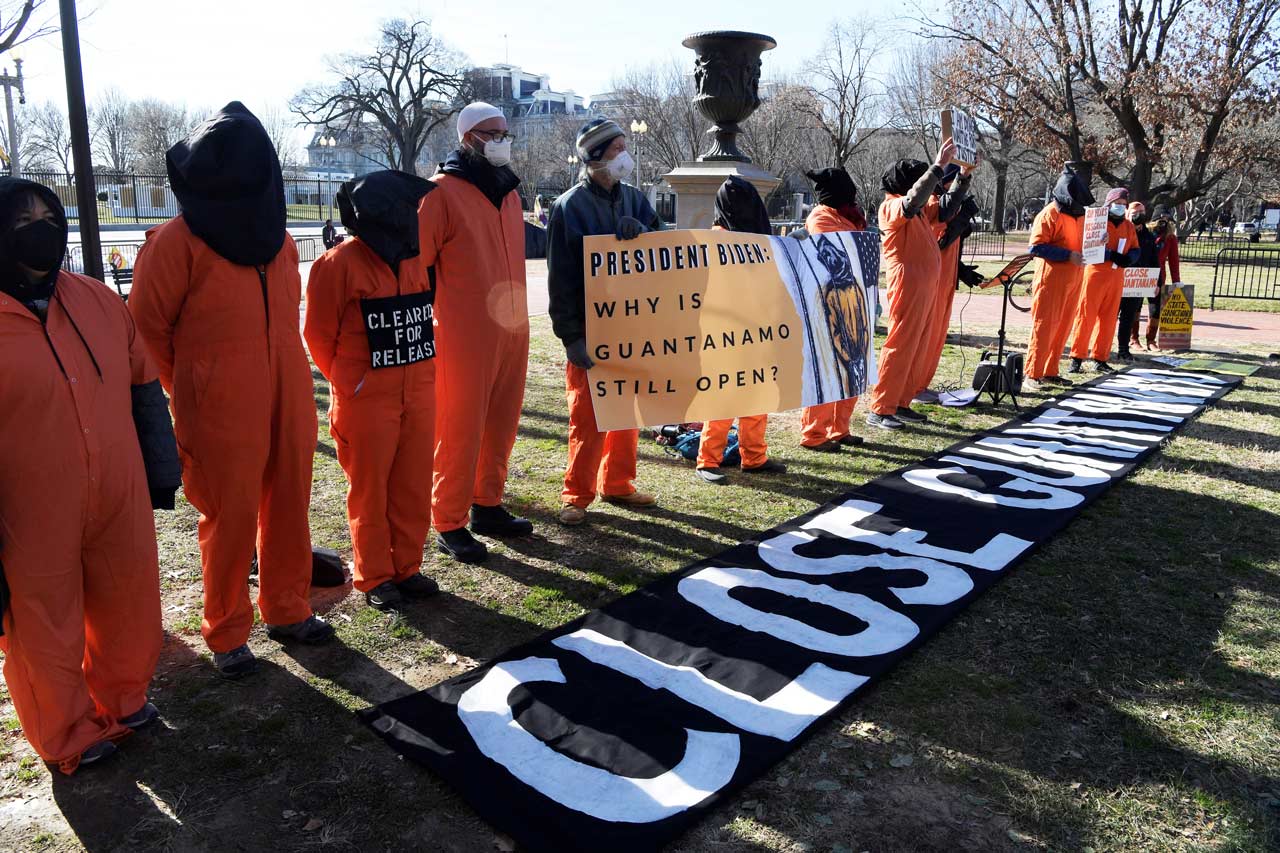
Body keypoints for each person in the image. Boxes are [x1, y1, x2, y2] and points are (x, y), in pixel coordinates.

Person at [131, 102, 334, 680]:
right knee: (230, 515)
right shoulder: (173, 244)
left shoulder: (281, 240)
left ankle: (288, 608)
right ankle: (226, 631)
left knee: (291, 499)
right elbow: (146, 333)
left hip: (288, 387)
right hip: (216, 400)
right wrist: (192, 386)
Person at [0, 177, 180, 772]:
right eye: (21, 220)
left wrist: (160, 470)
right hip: (29, 509)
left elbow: (144, 385)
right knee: (43, 628)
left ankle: (125, 699)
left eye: (47, 215)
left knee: (129, 600)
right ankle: (67, 733)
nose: (39, 229)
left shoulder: (98, 300)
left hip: (117, 489)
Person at [304, 171, 441, 611]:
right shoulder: (337, 264)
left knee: (413, 485)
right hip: (366, 400)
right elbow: (317, 335)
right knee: (370, 491)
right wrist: (352, 384)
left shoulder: (414, 259)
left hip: (417, 390)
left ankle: (408, 567)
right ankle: (375, 575)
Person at [416, 102, 532, 565]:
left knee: (501, 422)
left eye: (506, 132)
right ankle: (448, 519)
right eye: (493, 133)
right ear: (468, 138)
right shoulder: (440, 193)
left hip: (512, 327)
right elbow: (418, 267)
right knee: (459, 428)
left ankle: (488, 502)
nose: (502, 140)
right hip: (462, 333)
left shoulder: (509, 193)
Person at [547, 118, 661, 526]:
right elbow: (560, 278)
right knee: (588, 417)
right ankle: (576, 495)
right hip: (591, 330)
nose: (624, 155)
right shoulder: (568, 207)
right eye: (616, 149)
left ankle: (619, 483)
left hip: (631, 328)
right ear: (594, 157)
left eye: (624, 146)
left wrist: (644, 231)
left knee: (627, 412)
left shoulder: (634, 198)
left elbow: (660, 243)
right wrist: (571, 336)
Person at [695, 176, 789, 485]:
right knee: (724, 394)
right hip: (723, 330)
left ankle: (754, 456)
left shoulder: (758, 241)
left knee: (758, 391)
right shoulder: (714, 240)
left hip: (758, 327)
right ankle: (708, 460)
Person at [865, 139, 956, 430]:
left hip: (923, 286)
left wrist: (963, 178)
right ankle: (881, 407)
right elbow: (914, 199)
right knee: (900, 344)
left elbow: (944, 209)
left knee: (916, 346)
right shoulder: (892, 206)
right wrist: (937, 168)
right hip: (907, 283)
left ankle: (901, 402)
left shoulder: (916, 211)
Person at [797, 167, 868, 451]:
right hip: (828, 301)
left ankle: (840, 428)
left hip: (854, 298)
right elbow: (840, 247)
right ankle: (814, 433)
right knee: (828, 367)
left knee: (854, 363)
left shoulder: (848, 216)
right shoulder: (821, 217)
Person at [1023, 165, 1094, 388]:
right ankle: (1032, 373)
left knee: (1063, 326)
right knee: (1045, 326)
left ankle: (1050, 370)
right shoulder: (1049, 214)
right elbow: (1036, 247)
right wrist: (1067, 255)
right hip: (1051, 280)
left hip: (1075, 279)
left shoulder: (1080, 216)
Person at [911, 162, 976, 401]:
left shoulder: (953, 205)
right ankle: (913, 386)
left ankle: (922, 383)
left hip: (946, 281)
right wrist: (960, 222)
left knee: (937, 336)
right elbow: (937, 241)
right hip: (932, 281)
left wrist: (961, 270)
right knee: (925, 336)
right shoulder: (931, 204)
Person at [1067, 187, 1138, 374]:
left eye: (1124, 205)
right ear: (1109, 203)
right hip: (1095, 274)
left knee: (1109, 319)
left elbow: (1136, 249)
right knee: (1086, 316)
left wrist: (1129, 258)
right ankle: (1076, 357)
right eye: (1118, 204)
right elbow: (1086, 245)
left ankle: (1100, 358)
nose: (1121, 207)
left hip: (1116, 277)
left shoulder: (1129, 226)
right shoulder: (1096, 221)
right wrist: (1108, 253)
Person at [1116, 201, 1158, 362]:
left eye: (1142, 211)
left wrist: (1156, 282)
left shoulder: (1148, 236)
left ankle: (1124, 349)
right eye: (1135, 211)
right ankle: (1100, 349)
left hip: (1137, 283)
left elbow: (1154, 260)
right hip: (1117, 279)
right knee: (1109, 316)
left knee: (1129, 316)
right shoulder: (1121, 229)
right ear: (1127, 212)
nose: (1139, 214)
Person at [1144, 206, 1181, 349]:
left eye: (1167, 219)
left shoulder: (1170, 237)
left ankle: (1150, 340)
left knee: (1155, 309)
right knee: (1134, 308)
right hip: (1141, 274)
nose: (1164, 222)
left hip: (1158, 277)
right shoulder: (1145, 233)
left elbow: (1174, 260)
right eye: (1162, 218)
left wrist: (1176, 280)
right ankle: (1133, 338)